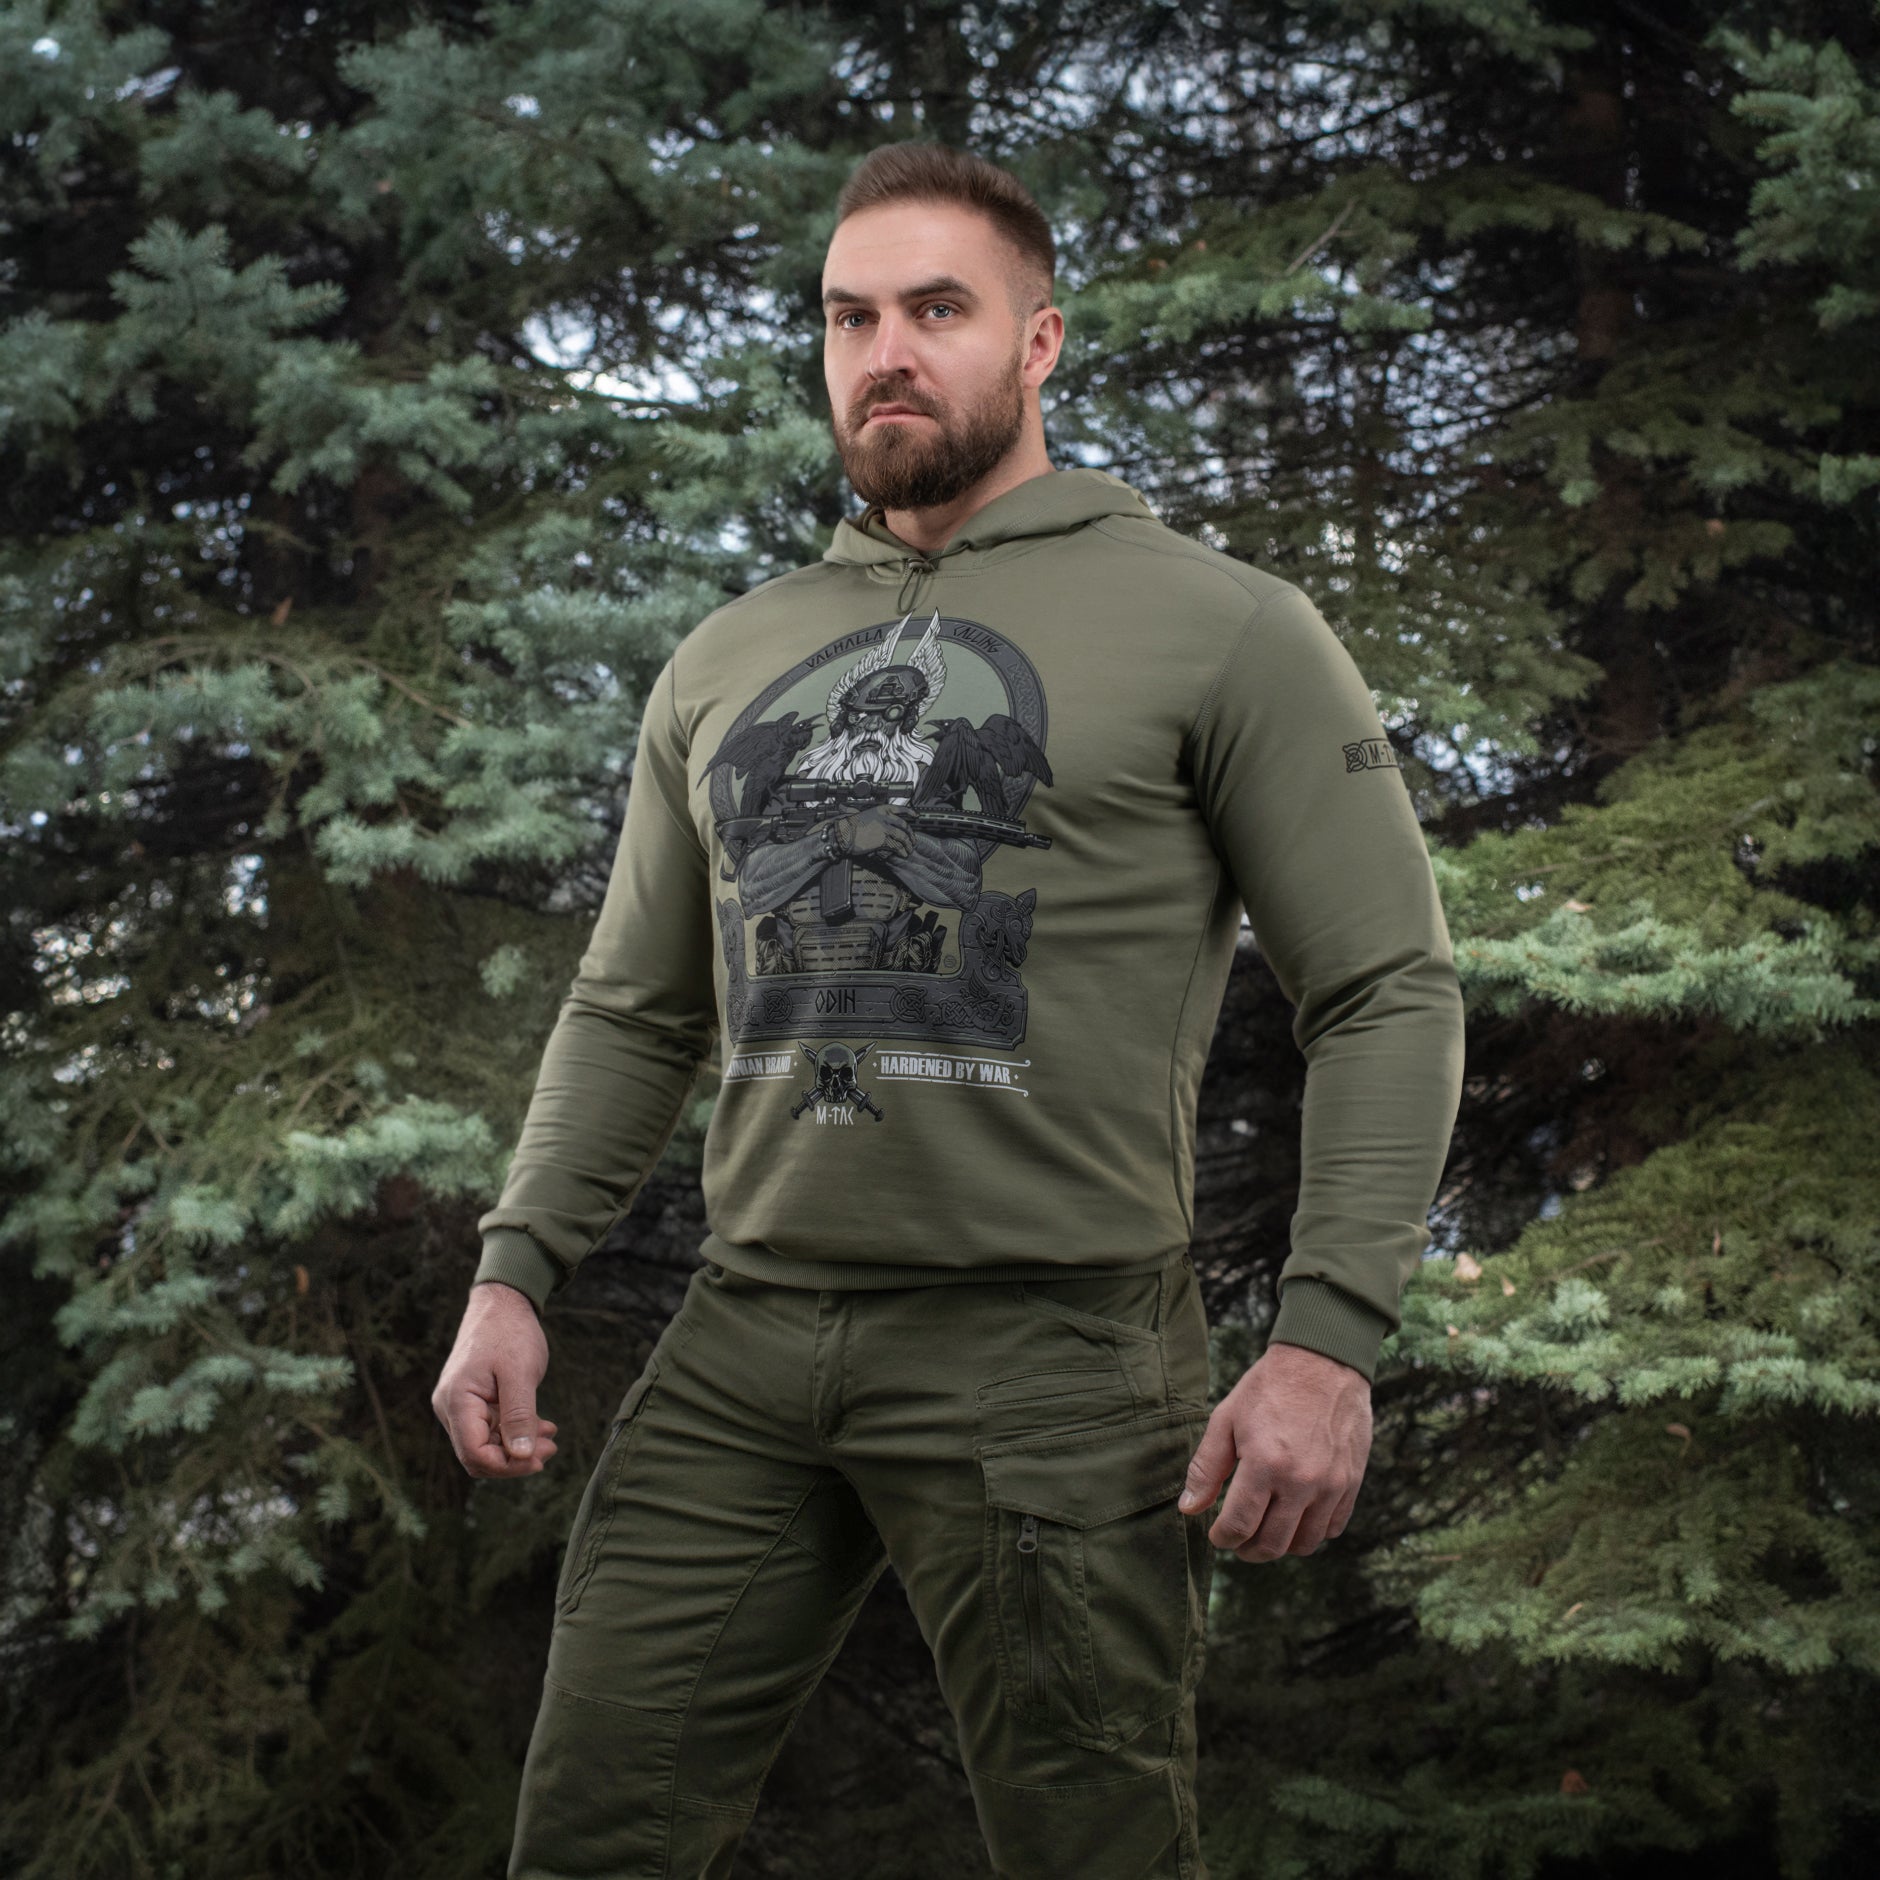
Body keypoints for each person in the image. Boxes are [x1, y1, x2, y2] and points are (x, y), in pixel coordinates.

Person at [432, 140, 1465, 1880]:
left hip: (1053, 1351)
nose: (886, 353)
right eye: (850, 318)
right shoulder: (728, 656)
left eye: (936, 310)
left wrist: (1327, 1338)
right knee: (593, 1833)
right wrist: (514, 1268)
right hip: (748, 1337)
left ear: (1040, 341)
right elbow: (632, 1005)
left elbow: (1385, 989)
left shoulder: (1223, 628)